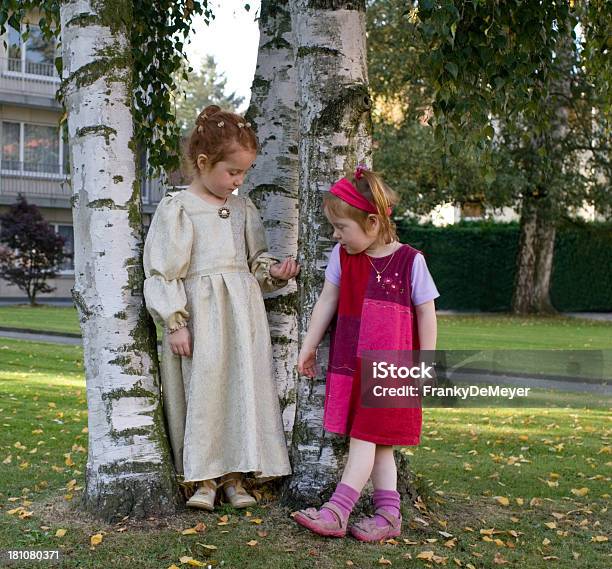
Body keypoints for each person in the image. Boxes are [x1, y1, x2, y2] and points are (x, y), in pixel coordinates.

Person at [143, 105, 299, 511]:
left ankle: (236, 475)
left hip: (241, 317)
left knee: (240, 389)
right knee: (204, 390)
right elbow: (163, 271)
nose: (239, 180)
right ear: (202, 163)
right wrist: (175, 321)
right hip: (202, 317)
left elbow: (255, 260)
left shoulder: (243, 208)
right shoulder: (179, 209)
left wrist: (274, 273)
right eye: (232, 172)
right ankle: (204, 477)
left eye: (243, 173)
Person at [294, 165, 439, 541]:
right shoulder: (342, 258)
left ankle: (337, 511)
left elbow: (426, 312)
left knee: (365, 437)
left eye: (342, 228)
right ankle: (390, 515)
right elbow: (327, 301)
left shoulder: (411, 261)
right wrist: (308, 347)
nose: (335, 235)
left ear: (373, 222)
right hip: (352, 365)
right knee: (380, 445)